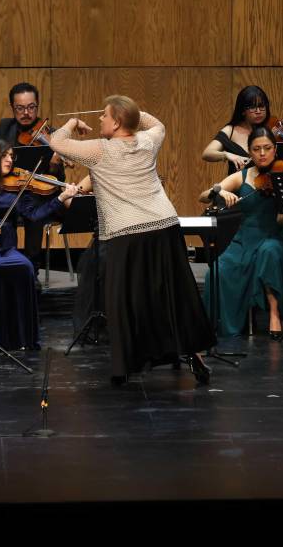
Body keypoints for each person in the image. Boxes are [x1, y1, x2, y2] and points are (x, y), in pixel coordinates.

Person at [50, 97, 216, 386]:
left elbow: (56, 142)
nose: (100, 119)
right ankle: (194, 352)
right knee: (176, 294)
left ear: (116, 123)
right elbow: (157, 124)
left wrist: (72, 123)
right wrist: (133, 114)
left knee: (123, 300)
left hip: (127, 233)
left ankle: (125, 365)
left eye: (104, 116)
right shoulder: (148, 141)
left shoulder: (99, 150)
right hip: (165, 225)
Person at [0, 138, 77, 352]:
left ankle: (20, 338)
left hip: (4, 247)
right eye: (4, 156)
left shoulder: (20, 187)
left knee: (26, 268)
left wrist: (61, 197)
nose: (10, 160)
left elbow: (34, 215)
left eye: (11, 156)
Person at [199, 127, 283, 339]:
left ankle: (274, 314)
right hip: (244, 240)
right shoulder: (242, 176)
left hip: (275, 237)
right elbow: (203, 196)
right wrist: (220, 191)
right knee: (216, 272)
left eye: (267, 148)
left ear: (275, 150)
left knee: (268, 253)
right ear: (250, 152)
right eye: (256, 149)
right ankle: (220, 324)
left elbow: (281, 221)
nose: (262, 153)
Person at [0, 81, 67, 265]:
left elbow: (59, 180)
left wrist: (54, 164)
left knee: (34, 208)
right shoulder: (5, 127)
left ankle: (33, 267)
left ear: (37, 106)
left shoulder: (50, 135)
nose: (26, 113)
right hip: (9, 190)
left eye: (31, 107)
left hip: (38, 194)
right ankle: (5, 261)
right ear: (12, 108)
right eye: (20, 108)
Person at [202, 85, 272, 174]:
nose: (258, 111)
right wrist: (227, 155)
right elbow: (207, 153)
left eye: (261, 106)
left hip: (267, 185)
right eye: (252, 107)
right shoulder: (230, 131)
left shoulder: (270, 130)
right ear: (242, 111)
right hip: (238, 185)